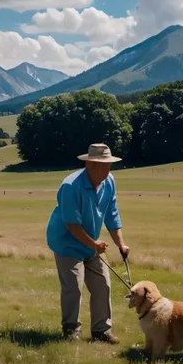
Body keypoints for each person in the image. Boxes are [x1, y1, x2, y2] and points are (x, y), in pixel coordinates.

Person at [46, 143, 130, 344]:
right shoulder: (70, 186)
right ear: (90, 165)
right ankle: (71, 329)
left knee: (103, 284)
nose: (109, 169)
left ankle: (101, 331)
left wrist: (121, 244)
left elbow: (112, 215)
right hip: (66, 242)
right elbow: (72, 225)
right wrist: (94, 244)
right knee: (73, 287)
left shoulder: (108, 181)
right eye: (104, 165)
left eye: (110, 165)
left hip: (91, 243)